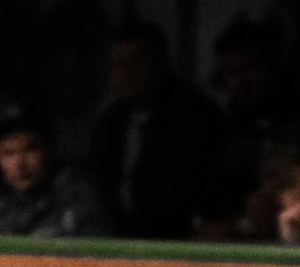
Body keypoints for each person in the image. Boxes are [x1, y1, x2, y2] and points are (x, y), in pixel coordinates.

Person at [84, 22, 223, 239]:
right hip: (117, 242)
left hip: (176, 243)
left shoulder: (194, 116)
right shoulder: (110, 122)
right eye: (119, 63)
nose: (127, 71)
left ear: (160, 63)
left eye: (138, 61)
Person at [0, 117, 107, 238]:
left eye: (30, 149)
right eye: (9, 153)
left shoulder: (77, 194)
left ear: (48, 152)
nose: (20, 163)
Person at [205, 19, 286, 232]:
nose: (241, 82)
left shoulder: (293, 130)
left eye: (251, 70)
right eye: (232, 72)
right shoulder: (210, 130)